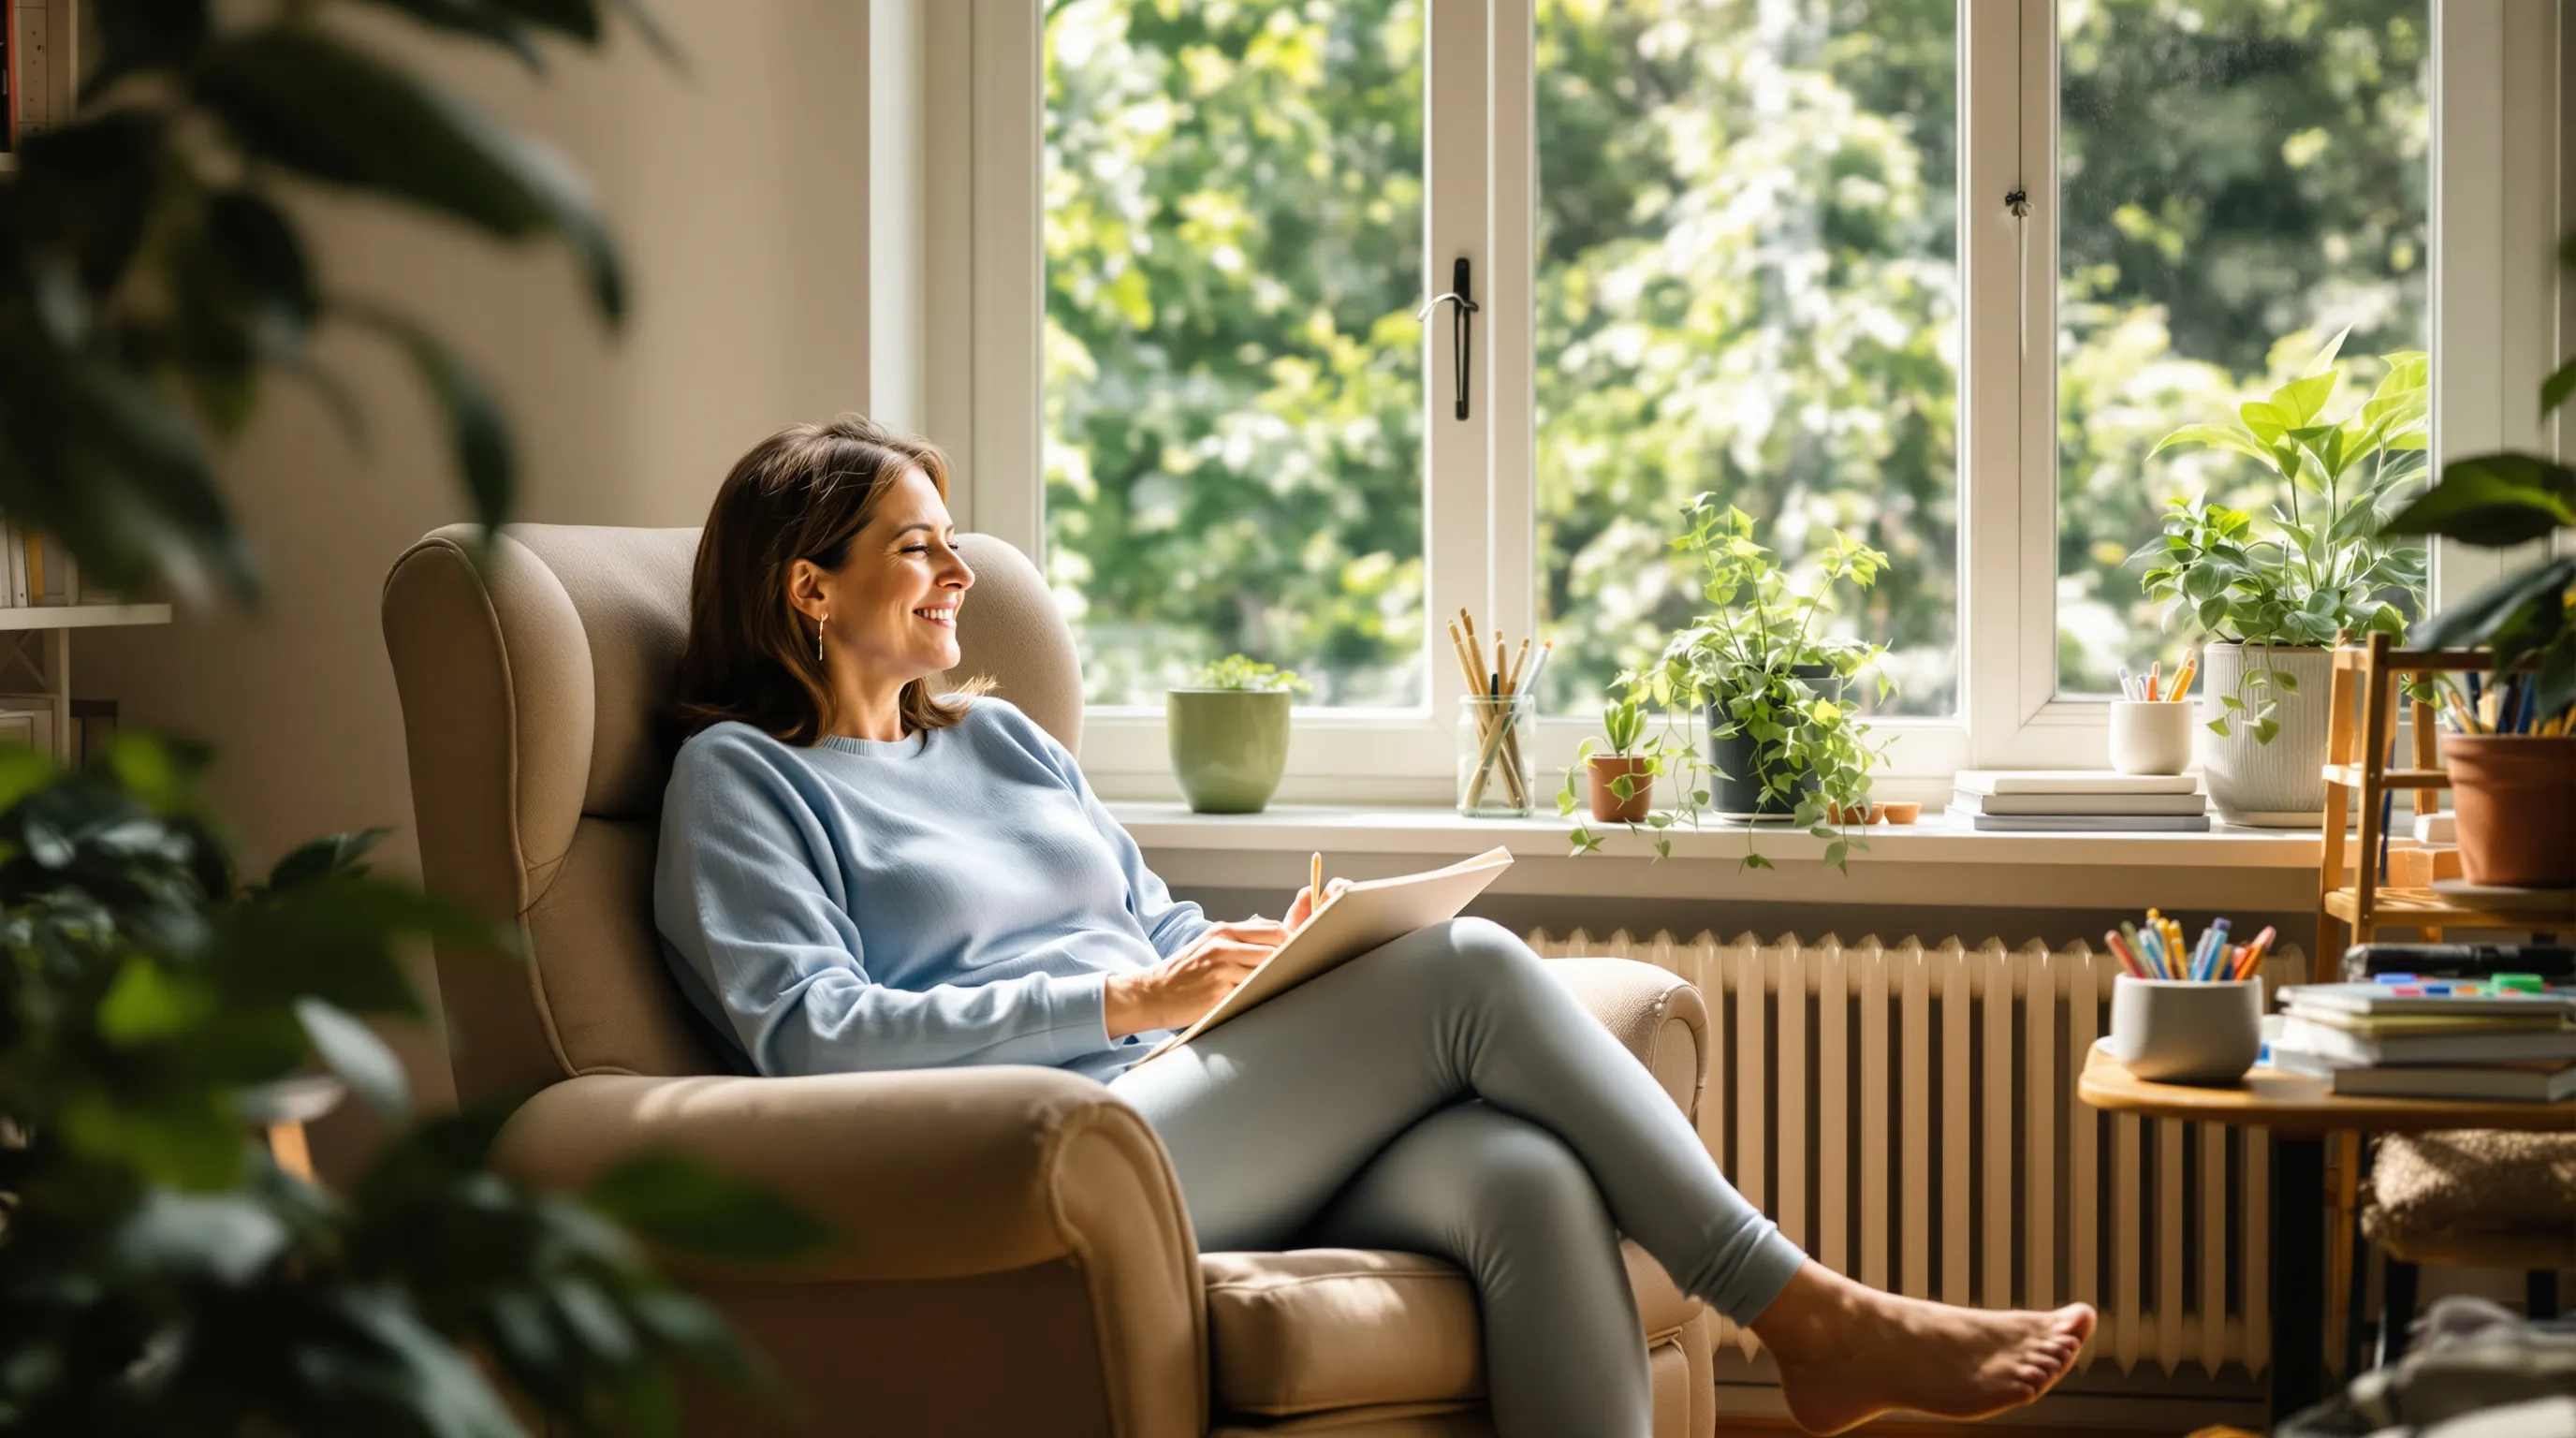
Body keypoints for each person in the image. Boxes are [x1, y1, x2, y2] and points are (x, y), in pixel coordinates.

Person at [654, 416, 2096, 1437]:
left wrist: (1263, 956)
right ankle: (1807, 1313)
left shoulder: (1005, 743)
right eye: (922, 548)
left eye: (957, 543)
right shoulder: (745, 777)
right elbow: (808, 1038)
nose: (962, 575)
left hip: (1180, 1100)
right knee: (1464, 966)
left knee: (1522, 1177)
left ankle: (1805, 1327)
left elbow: (1144, 920)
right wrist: (1119, 1006)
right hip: (1036, 1149)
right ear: (811, 585)